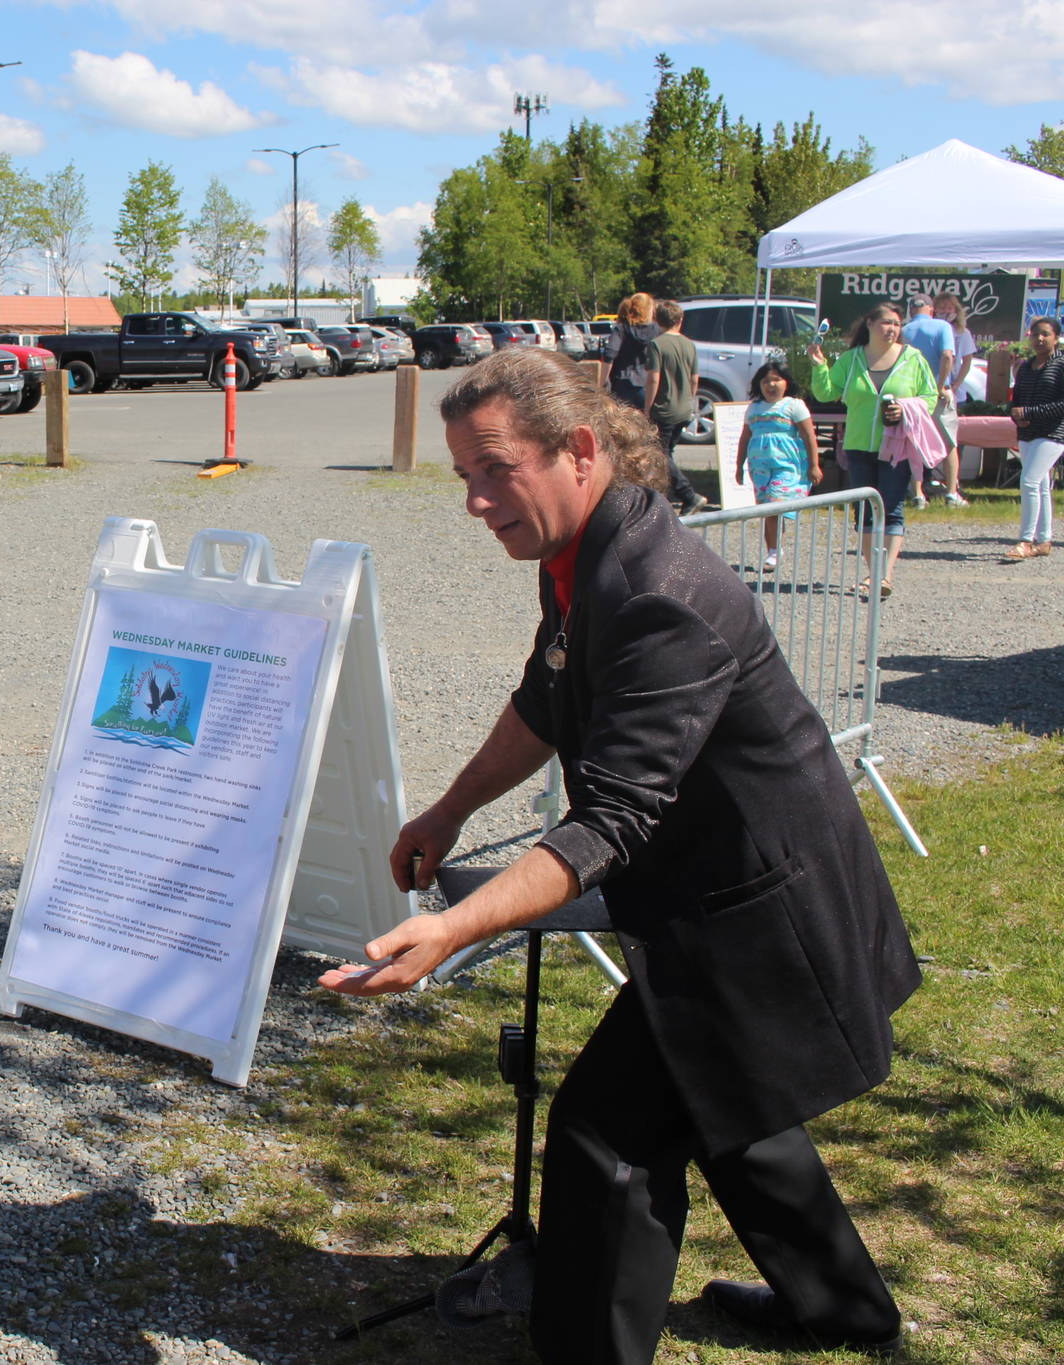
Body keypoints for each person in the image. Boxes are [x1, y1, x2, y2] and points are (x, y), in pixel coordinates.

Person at [322, 347, 919, 1365]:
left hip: (760, 906)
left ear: (578, 451)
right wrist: (449, 811)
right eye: (462, 473)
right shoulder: (583, 556)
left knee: (605, 1139)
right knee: (726, 1097)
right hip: (712, 895)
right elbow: (545, 697)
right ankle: (843, 1308)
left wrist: (453, 931)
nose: (473, 501)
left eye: (493, 469)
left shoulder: (653, 592)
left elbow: (606, 825)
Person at [809, 302, 942, 599]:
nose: (892, 329)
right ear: (869, 324)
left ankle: (886, 575)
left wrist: (905, 410)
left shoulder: (913, 359)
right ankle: (873, 573)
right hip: (858, 445)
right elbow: (826, 392)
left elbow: (929, 396)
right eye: (886, 323)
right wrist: (819, 365)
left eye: (897, 324)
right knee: (866, 510)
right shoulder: (852, 358)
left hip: (897, 447)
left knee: (892, 508)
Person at [733, 360, 822, 571]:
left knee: (775, 503)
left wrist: (814, 465)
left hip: (787, 465)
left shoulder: (794, 405)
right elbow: (744, 438)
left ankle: (774, 550)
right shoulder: (753, 408)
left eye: (776, 380)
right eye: (766, 381)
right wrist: (739, 466)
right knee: (768, 509)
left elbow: (809, 435)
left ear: (786, 383)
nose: (771, 385)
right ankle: (773, 550)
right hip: (760, 468)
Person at [640, 299, 707, 514]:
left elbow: (654, 378)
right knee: (669, 452)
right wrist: (689, 399)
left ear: (658, 320)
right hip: (684, 407)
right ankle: (665, 496)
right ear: (680, 320)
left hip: (665, 407)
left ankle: (688, 494)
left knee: (660, 453)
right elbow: (695, 378)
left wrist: (648, 407)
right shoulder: (689, 345)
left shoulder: (657, 345)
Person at [1006, 315, 1064, 561]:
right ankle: (1044, 539)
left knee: (1029, 481)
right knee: (1040, 486)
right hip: (1028, 432)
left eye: (1045, 334)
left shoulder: (1061, 364)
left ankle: (1025, 540)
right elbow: (1017, 399)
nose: (1039, 339)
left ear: (1056, 338)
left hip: (1053, 432)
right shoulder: (1026, 367)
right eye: (1035, 333)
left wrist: (1030, 413)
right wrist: (1016, 415)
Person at [899, 296, 956, 510]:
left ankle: (918, 494)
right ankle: (951, 493)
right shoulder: (943, 326)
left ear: (912, 311)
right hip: (939, 394)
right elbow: (947, 356)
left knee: (914, 443)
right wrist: (939, 386)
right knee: (949, 443)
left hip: (912, 395)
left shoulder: (904, 330)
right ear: (931, 310)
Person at [931, 292, 977, 507]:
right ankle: (930, 482)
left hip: (953, 392)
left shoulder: (962, 333)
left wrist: (956, 384)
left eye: (950, 308)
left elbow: (966, 361)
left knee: (951, 442)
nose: (946, 312)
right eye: (942, 308)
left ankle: (952, 484)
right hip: (931, 391)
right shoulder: (932, 330)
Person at [602, 292, 658, 413]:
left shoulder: (622, 328)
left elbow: (609, 354)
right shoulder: (655, 330)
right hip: (646, 383)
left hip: (622, 383)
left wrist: (603, 381)